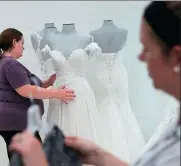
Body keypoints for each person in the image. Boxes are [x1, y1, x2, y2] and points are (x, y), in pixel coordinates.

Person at [9, 1, 180, 166]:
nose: (141, 57)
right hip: (62, 93)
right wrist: (99, 156)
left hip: (78, 93)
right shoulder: (172, 129)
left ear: (176, 56)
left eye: (147, 49)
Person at [0, 28, 76, 160]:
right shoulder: (11, 64)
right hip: (16, 123)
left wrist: (48, 82)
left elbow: (25, 85)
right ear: (14, 42)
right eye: (22, 43)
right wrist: (57, 93)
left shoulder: (4, 63)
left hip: (12, 122)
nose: (23, 48)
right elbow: (27, 90)